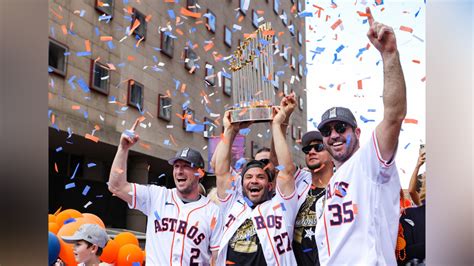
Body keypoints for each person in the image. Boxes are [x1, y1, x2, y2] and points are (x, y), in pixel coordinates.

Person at [314, 7, 407, 265]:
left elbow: (394, 116)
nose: (333, 135)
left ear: (356, 132)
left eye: (341, 128)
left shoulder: (369, 163)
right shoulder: (334, 182)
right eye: (326, 131)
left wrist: (389, 55)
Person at [108, 119, 223, 265]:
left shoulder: (213, 212)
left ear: (199, 173)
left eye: (186, 166)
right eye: (176, 166)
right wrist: (123, 149)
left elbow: (217, 257)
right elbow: (116, 186)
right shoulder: (157, 196)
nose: (179, 171)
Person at [214, 95, 298, 265]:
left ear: (270, 184)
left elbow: (287, 171)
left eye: (260, 177)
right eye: (248, 177)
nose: (254, 181)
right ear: (241, 184)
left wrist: (277, 124)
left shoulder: (281, 206)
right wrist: (230, 130)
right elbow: (221, 172)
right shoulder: (232, 204)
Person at [292, 131, 334, 265]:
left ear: (333, 156)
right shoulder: (298, 186)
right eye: (307, 149)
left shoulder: (344, 190)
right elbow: (279, 165)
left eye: (319, 147)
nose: (311, 152)